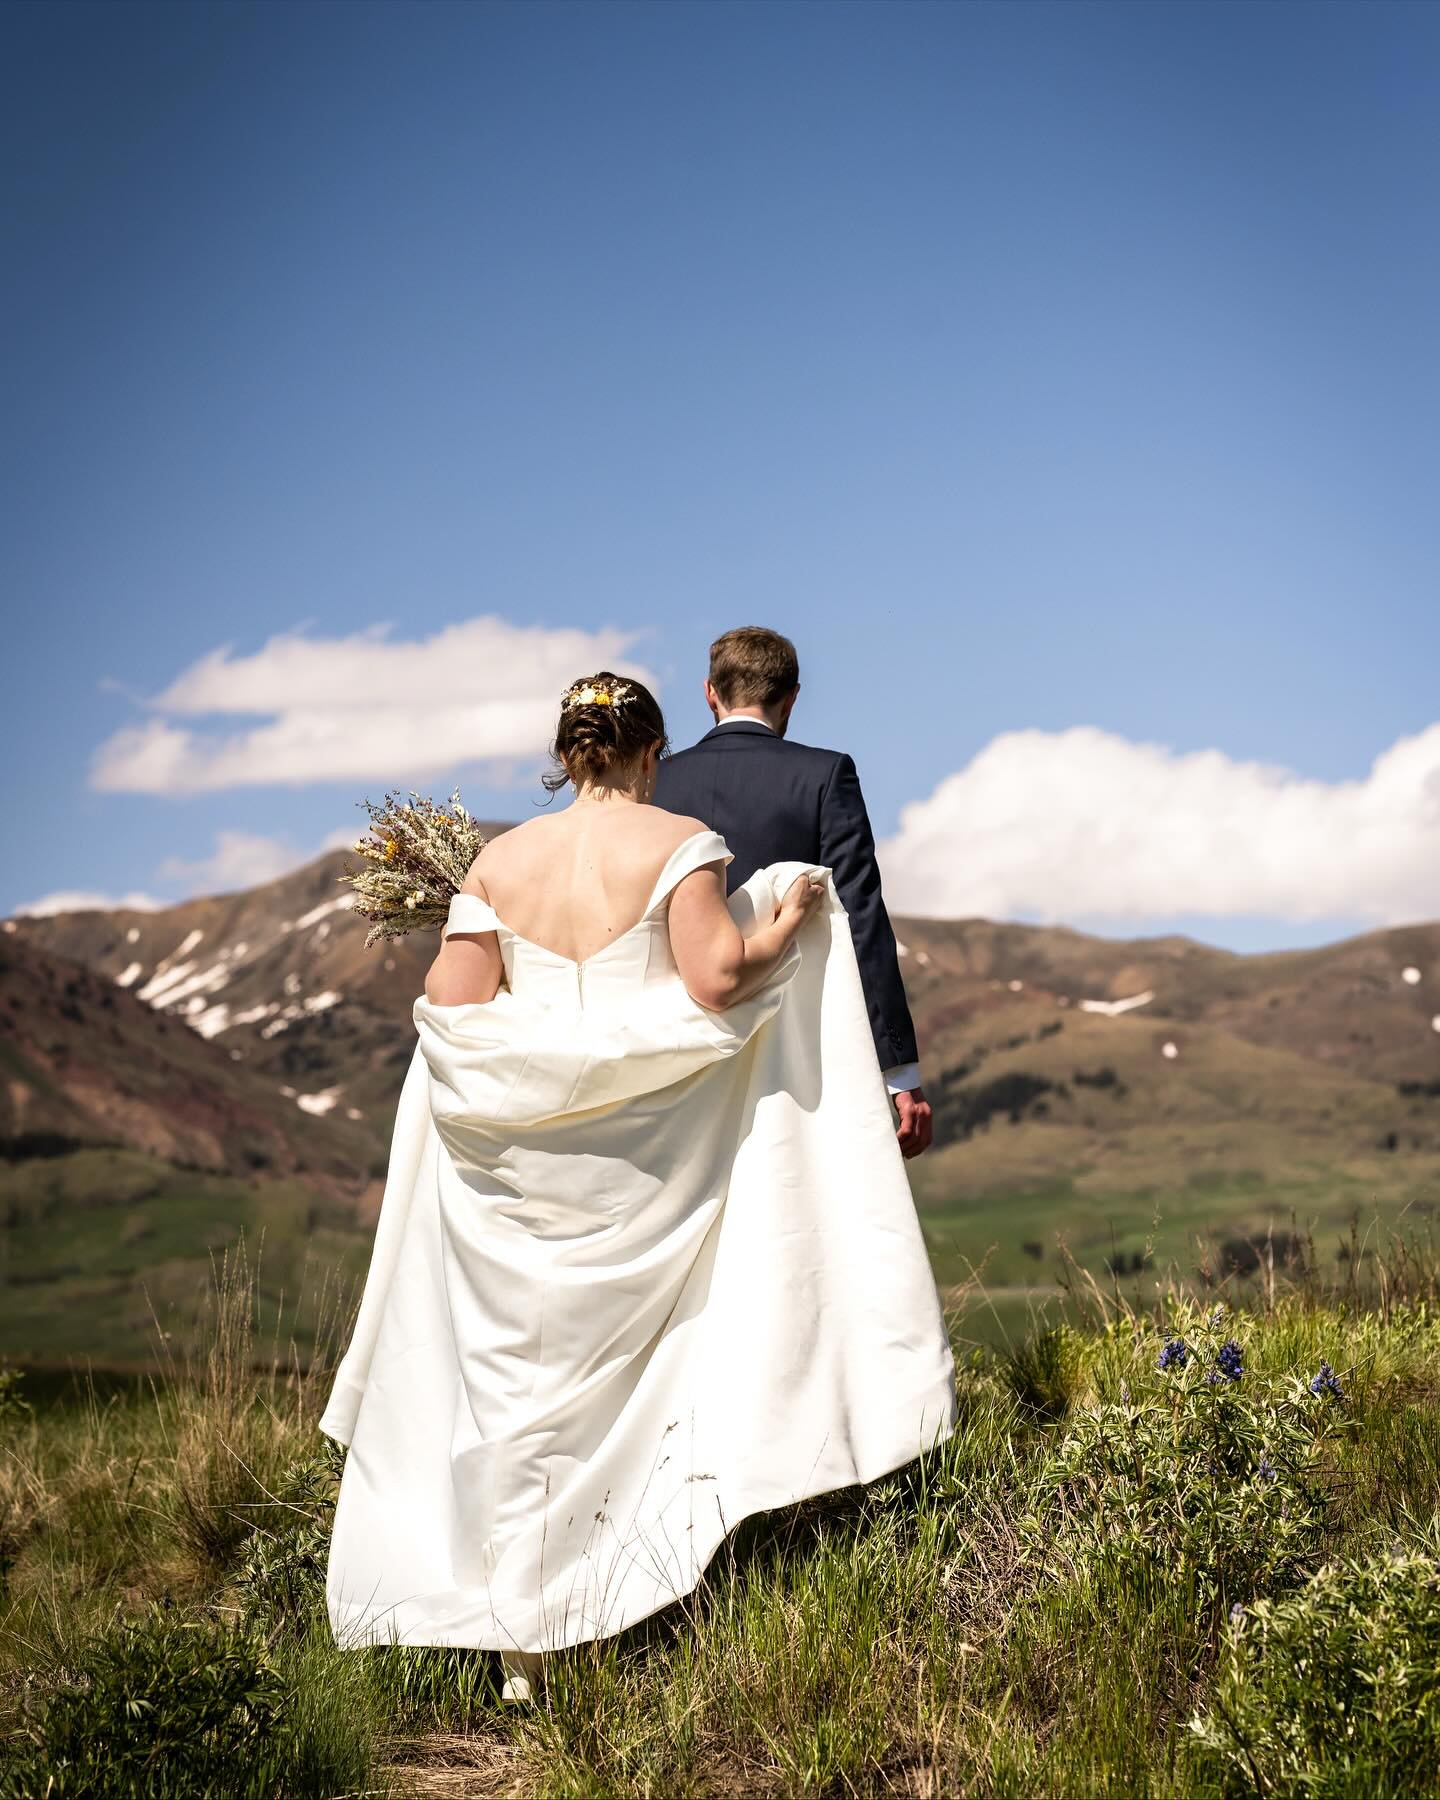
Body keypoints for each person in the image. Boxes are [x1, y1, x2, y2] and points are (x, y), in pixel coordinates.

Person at [319, 673, 957, 1702]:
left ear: (568, 756)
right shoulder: (677, 842)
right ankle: (610, 1600)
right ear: (651, 753)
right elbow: (714, 978)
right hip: (643, 1155)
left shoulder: (498, 860)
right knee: (638, 1368)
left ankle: (519, 1636)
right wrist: (788, 917)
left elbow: (455, 996)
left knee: (521, 1378)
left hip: (523, 1163)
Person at [652, 627, 933, 1159]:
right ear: (792, 696)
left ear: (709, 692)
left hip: (673, 1044)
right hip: (794, 1045)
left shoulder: (656, 785)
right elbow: (861, 917)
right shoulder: (825, 775)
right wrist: (900, 1072)